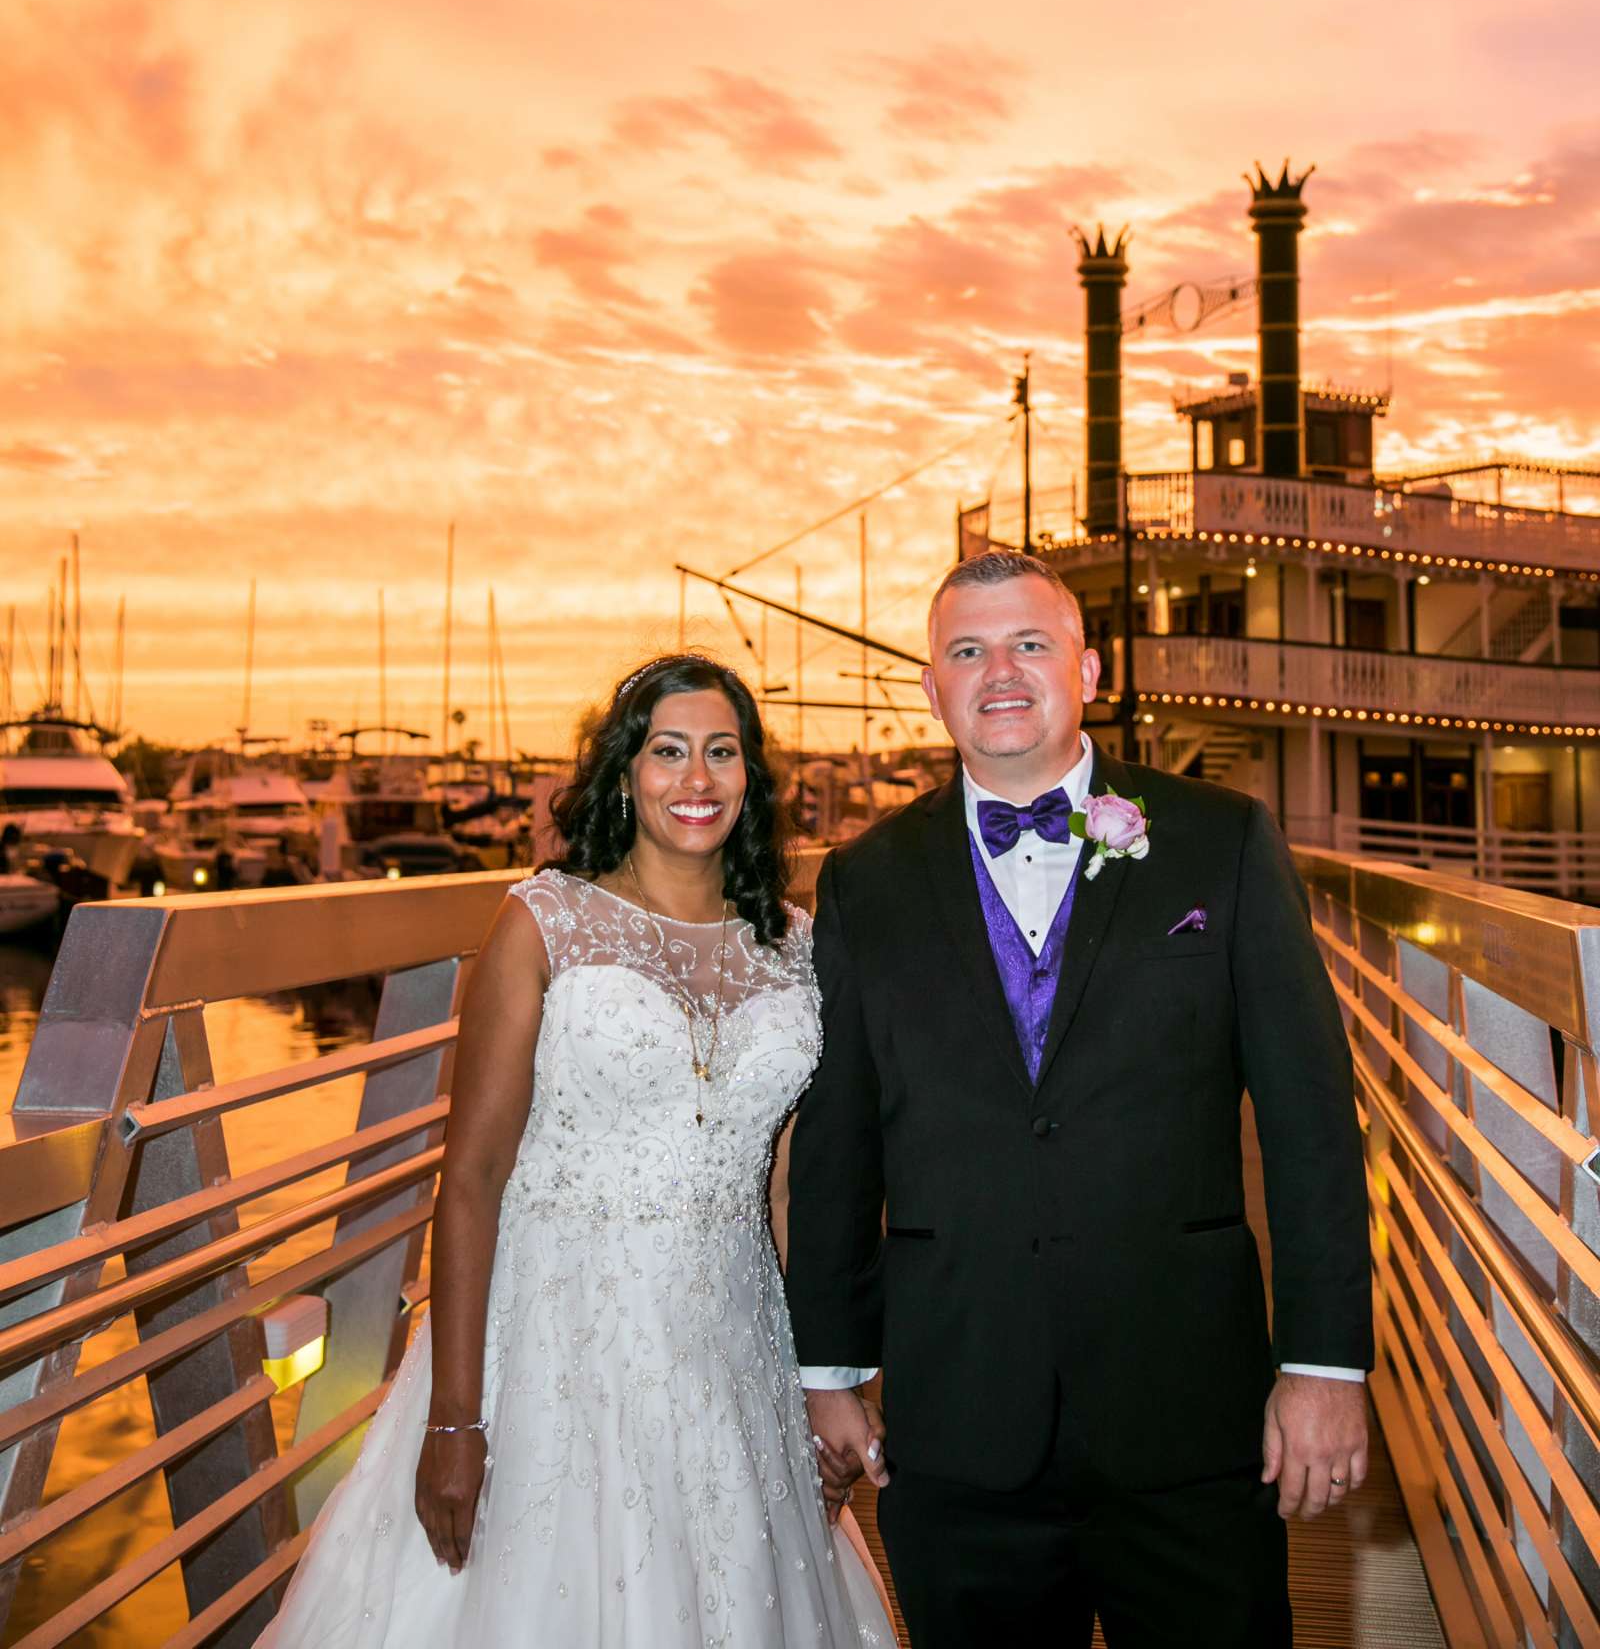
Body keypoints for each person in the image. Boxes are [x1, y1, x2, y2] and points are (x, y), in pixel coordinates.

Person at [787, 550, 1373, 1648]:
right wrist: (828, 1370)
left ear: (1087, 670)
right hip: (957, 1409)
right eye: (966, 650)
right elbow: (837, 1145)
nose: (997, 672)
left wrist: (1323, 1362)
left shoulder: (1222, 840)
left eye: (1028, 644)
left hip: (1189, 1410)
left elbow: (1309, 1125)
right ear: (931, 686)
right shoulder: (863, 879)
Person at [260, 652, 890, 1649]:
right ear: (623, 773)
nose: (696, 779)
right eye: (667, 752)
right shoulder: (543, 921)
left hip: (734, 1344)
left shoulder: (795, 946)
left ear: (751, 777)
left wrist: (819, 1378)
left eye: (721, 753)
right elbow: (469, 1181)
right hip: (554, 1339)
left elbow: (783, 1191)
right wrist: (456, 1421)